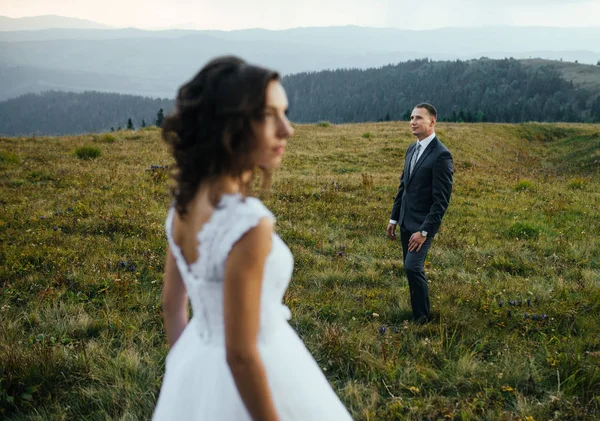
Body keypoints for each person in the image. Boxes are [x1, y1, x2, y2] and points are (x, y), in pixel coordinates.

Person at [153, 56, 352, 421]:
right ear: (231, 125)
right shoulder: (248, 224)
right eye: (268, 116)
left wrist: (187, 375)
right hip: (264, 369)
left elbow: (172, 306)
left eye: (284, 113)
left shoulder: (184, 204)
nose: (287, 130)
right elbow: (241, 354)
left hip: (198, 356)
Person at [386, 103, 453, 324]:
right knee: (410, 269)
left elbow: (440, 201)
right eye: (411, 117)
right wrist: (394, 218)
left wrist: (424, 231)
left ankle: (423, 319)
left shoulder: (442, 155)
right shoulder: (411, 149)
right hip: (406, 221)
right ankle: (417, 313)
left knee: (412, 267)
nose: (413, 122)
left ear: (432, 122)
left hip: (423, 225)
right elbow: (403, 187)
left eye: (418, 118)